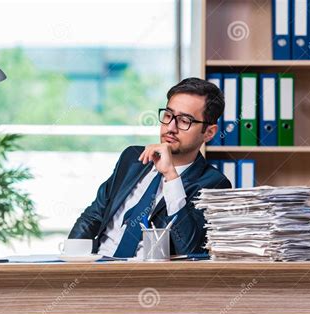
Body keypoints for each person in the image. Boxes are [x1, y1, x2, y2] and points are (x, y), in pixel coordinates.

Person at [69, 77, 231, 258]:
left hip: (146, 278)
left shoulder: (214, 184)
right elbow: (93, 217)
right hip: (97, 267)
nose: (170, 127)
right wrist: (70, 263)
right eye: (168, 116)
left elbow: (190, 249)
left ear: (209, 133)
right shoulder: (132, 159)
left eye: (185, 120)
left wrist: (171, 176)